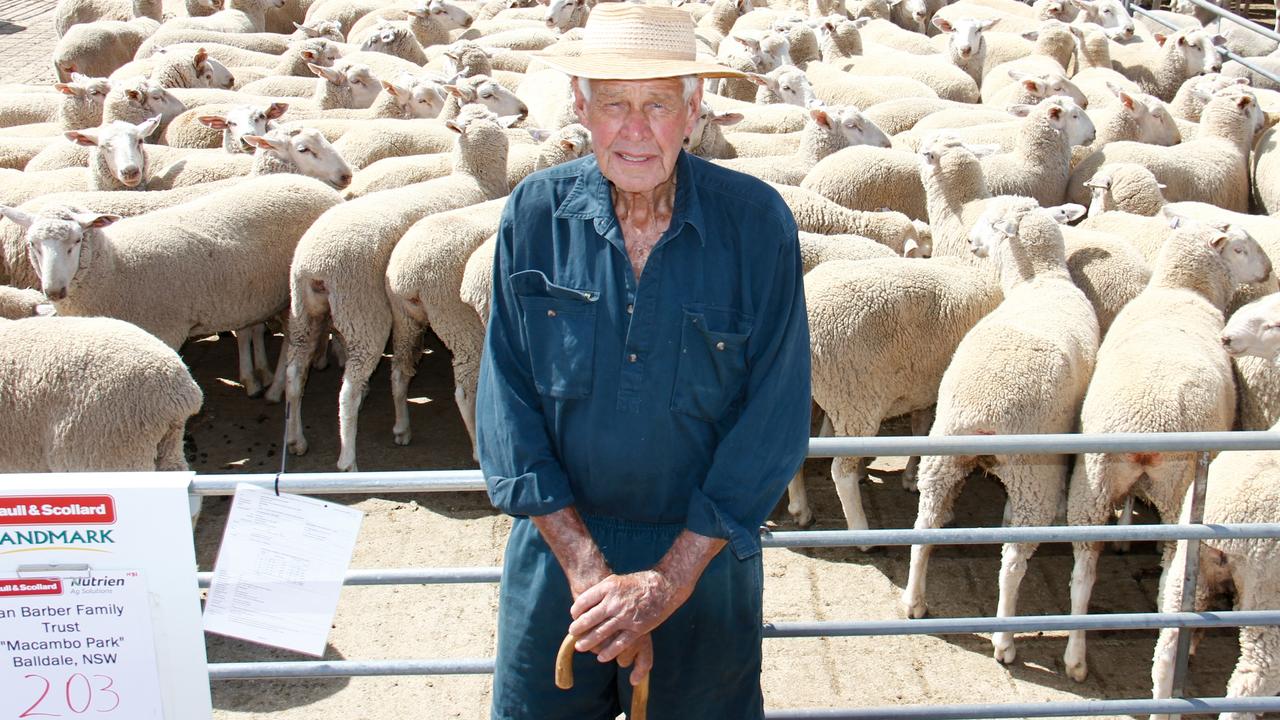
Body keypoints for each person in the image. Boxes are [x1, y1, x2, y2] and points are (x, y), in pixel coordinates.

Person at [475, 4, 811, 718]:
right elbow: (506, 399)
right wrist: (588, 571)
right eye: (614, 104)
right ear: (580, 108)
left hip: (706, 556)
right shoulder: (535, 216)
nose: (635, 129)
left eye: (657, 104)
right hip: (558, 551)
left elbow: (774, 418)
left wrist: (668, 580)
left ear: (694, 109)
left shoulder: (755, 225)